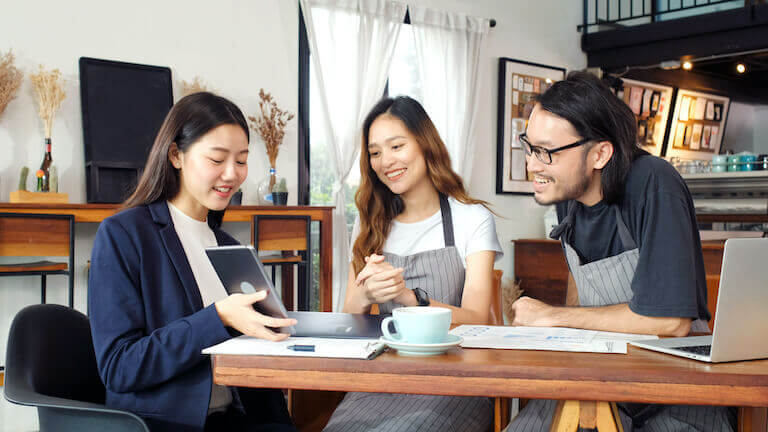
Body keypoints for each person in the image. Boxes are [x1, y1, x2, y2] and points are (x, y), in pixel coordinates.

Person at [506, 72, 735, 431]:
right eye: (530, 147)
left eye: (546, 152)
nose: (532, 164)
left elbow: (669, 322)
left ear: (599, 154)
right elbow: (580, 288)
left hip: (674, 390)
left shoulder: (654, 184)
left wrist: (555, 317)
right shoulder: (569, 197)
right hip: (602, 377)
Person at [89, 92, 298, 432]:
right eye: (217, 160)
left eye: (242, 161)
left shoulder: (230, 247)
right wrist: (217, 317)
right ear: (176, 155)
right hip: (169, 424)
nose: (231, 174)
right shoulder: (125, 234)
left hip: (241, 418)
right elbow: (119, 366)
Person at [322, 96, 503, 432]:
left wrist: (409, 298)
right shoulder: (369, 225)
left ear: (424, 144)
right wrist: (365, 295)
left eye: (396, 146)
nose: (385, 160)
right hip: (382, 377)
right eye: (375, 152)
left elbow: (479, 319)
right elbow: (349, 320)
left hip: (456, 380)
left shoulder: (471, 219)